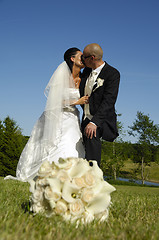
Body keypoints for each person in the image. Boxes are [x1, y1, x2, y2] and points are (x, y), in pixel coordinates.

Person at [5, 48, 88, 182]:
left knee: (73, 144)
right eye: (81, 56)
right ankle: (50, 175)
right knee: (56, 144)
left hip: (72, 117)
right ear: (72, 59)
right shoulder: (62, 77)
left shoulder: (84, 78)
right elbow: (54, 101)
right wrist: (76, 101)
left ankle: (69, 177)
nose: (84, 58)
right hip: (57, 116)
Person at [80, 43, 120, 167]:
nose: (82, 60)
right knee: (81, 151)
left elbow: (109, 100)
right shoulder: (86, 72)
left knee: (92, 152)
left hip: (99, 120)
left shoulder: (112, 73)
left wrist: (94, 122)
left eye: (83, 57)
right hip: (85, 117)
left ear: (92, 58)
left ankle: (94, 180)